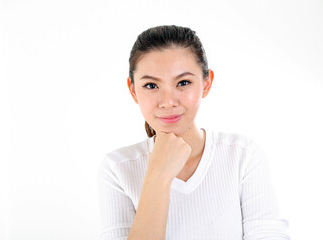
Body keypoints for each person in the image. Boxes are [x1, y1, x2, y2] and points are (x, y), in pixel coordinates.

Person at [98, 25, 290, 240]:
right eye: (151, 86)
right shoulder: (117, 168)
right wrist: (159, 176)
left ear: (206, 84)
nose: (168, 101)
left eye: (183, 83)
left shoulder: (242, 155)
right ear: (133, 90)